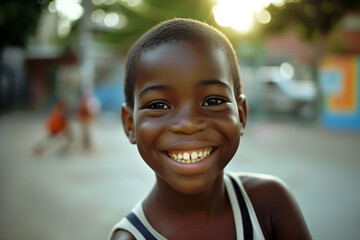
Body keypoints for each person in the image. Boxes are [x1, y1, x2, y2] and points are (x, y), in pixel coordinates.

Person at [110, 18, 312, 240]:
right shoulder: (130, 238)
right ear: (130, 124)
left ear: (241, 114)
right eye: (158, 105)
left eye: (213, 101)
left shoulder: (269, 202)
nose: (188, 124)